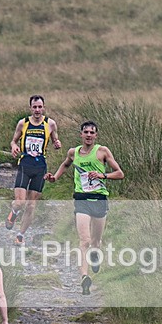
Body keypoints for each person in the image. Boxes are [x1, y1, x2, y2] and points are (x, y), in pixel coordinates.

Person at [45, 120, 125, 295]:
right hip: (81, 199)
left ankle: (95, 255)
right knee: (85, 241)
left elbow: (120, 173)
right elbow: (65, 164)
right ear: (81, 134)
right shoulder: (73, 153)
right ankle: (84, 277)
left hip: (100, 199)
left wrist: (102, 175)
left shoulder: (102, 151)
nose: (88, 135)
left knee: (96, 242)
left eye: (92, 133)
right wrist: (55, 178)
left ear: (96, 135)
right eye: (86, 132)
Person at [6, 95, 62, 245]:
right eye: (34, 107)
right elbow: (13, 140)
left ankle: (20, 235)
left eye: (39, 107)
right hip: (25, 165)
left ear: (43, 107)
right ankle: (14, 212)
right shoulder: (23, 123)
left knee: (31, 205)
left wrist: (57, 143)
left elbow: (55, 140)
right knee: (20, 202)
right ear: (30, 108)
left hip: (40, 168)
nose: (37, 110)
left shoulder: (50, 124)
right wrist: (14, 146)